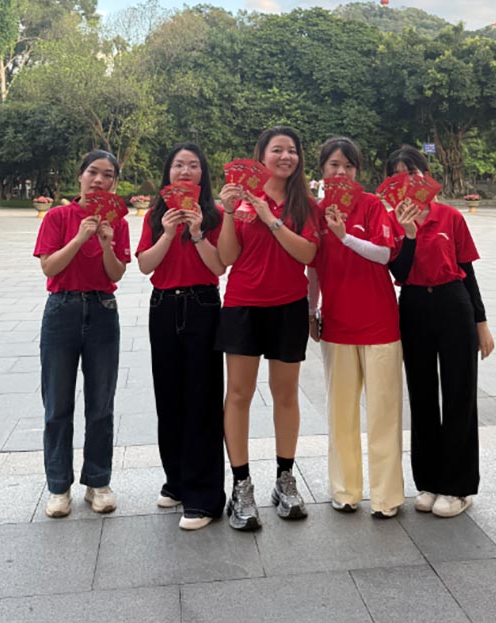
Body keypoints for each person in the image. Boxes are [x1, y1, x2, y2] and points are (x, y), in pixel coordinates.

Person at [217, 126, 318, 531]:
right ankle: (241, 485)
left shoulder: (304, 204)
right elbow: (226, 258)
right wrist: (229, 212)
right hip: (242, 305)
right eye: (277, 150)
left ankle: (285, 479)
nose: (285, 156)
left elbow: (307, 253)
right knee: (239, 394)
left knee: (286, 395)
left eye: (292, 150)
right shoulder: (239, 200)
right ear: (261, 156)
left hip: (288, 307)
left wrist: (271, 219)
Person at [387, 145, 495, 519]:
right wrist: (408, 234)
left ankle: (458, 487)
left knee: (459, 393)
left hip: (453, 304)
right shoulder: (392, 221)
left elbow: (468, 272)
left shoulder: (450, 216)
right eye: (398, 175)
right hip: (414, 306)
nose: (408, 180)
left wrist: (481, 323)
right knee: (422, 396)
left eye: (413, 172)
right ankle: (429, 482)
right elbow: (399, 273)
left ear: (425, 175)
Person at [308, 136, 405, 519]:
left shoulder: (372, 205)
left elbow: (384, 254)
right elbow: (313, 268)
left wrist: (345, 236)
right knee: (341, 413)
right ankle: (345, 490)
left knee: (384, 413)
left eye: (348, 166)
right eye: (334, 165)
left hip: (380, 323)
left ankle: (386, 497)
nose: (341, 172)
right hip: (337, 324)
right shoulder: (315, 212)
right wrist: (311, 310)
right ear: (322, 170)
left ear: (357, 171)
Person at [34, 149, 130, 518]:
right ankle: (59, 487)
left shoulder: (118, 222)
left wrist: (105, 242)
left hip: (103, 310)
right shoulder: (58, 217)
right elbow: (49, 268)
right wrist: (78, 238)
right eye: (93, 172)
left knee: (101, 404)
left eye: (108, 175)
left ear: (115, 183)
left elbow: (116, 273)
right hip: (62, 309)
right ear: (80, 176)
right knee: (57, 404)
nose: (99, 180)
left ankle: (98, 482)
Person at [136, 142, 226, 531]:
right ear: (168, 172)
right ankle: (176, 480)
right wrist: (169, 233)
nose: (185, 171)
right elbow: (145, 265)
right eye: (178, 165)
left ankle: (204, 497)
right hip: (163, 306)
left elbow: (219, 266)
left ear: (203, 173)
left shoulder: (214, 214)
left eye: (193, 165)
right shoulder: (156, 214)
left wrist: (198, 232)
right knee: (169, 397)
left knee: (202, 399)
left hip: (202, 305)